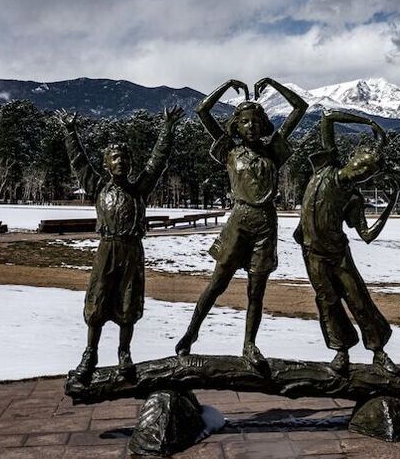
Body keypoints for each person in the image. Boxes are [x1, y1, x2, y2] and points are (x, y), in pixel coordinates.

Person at [175, 77, 307, 368]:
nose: (251, 126)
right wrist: (225, 85)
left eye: (256, 121)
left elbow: (300, 107)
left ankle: (249, 345)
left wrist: (273, 84)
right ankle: (190, 334)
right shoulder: (229, 151)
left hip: (265, 225)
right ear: (236, 125)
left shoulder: (273, 150)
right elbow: (202, 111)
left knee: (256, 291)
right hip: (238, 222)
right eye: (245, 121)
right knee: (217, 284)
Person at [57, 106, 183, 382]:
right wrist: (70, 132)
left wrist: (167, 128)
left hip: (131, 250)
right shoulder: (97, 186)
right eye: (115, 158)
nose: (121, 162)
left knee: (129, 301)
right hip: (107, 249)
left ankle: (124, 353)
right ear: (107, 164)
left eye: (125, 158)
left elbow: (158, 160)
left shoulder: (139, 189)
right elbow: (79, 161)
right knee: (97, 299)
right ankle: (90, 353)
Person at [293, 110, 400, 377]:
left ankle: (378, 352)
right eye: (362, 164)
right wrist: (368, 121)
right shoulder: (325, 165)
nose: (363, 173)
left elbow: (366, 235)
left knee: (358, 300)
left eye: (369, 173)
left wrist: (389, 206)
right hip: (312, 253)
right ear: (352, 157)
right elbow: (327, 118)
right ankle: (341, 351)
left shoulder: (353, 198)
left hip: (338, 255)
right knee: (327, 301)